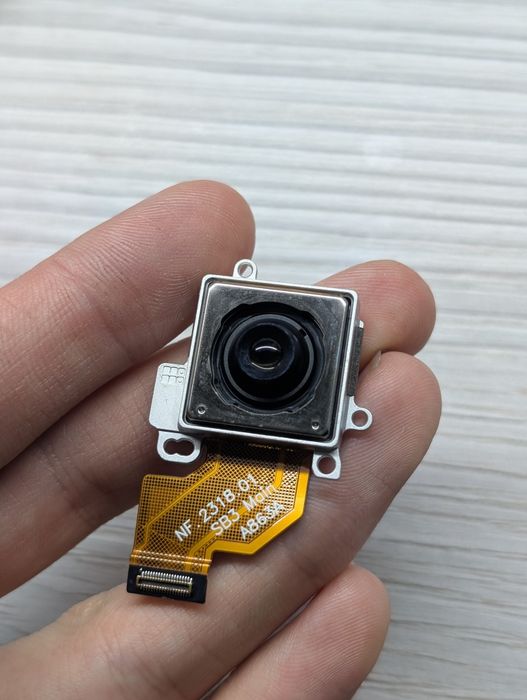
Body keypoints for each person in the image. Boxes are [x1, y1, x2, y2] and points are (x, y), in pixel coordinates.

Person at [0, 181, 440, 699]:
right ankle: (171, 561)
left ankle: (174, 558)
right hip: (221, 417)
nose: (266, 355)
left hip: (285, 431)